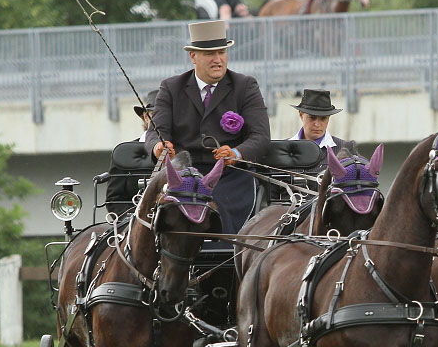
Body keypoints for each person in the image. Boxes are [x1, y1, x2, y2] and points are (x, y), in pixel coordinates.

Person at [145, 20, 271, 232]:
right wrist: (158, 146)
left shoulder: (245, 86)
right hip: (183, 175)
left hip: (230, 177)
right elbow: (154, 133)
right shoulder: (171, 87)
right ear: (193, 56)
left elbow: (260, 138)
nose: (218, 60)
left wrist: (236, 153)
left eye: (221, 52)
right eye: (210, 54)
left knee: (218, 207)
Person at [104, 89, 157, 216]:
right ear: (146, 117)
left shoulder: (180, 152)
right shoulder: (125, 153)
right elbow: (114, 200)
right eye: (158, 115)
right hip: (134, 223)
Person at [287, 89, 354, 166]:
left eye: (323, 118)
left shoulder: (345, 150)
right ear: (301, 115)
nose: (317, 124)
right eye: (312, 117)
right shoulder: (283, 149)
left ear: (329, 118)